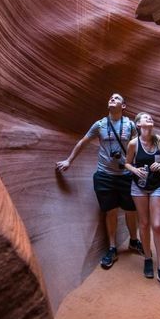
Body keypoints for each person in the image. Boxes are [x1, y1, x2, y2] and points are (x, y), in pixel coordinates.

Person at [56, 93, 144, 269]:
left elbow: (139, 147)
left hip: (126, 175)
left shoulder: (130, 125)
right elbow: (83, 141)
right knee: (110, 211)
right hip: (105, 175)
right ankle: (112, 248)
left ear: (124, 106)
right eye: (110, 97)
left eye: (116, 98)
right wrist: (69, 160)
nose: (112, 99)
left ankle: (134, 241)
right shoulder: (100, 124)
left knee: (130, 210)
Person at [124, 112, 160, 291]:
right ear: (138, 125)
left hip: (157, 186)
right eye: (145, 118)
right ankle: (147, 258)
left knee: (157, 225)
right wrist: (134, 171)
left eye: (151, 118)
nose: (149, 119)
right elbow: (127, 163)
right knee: (144, 224)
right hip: (138, 187)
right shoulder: (133, 144)